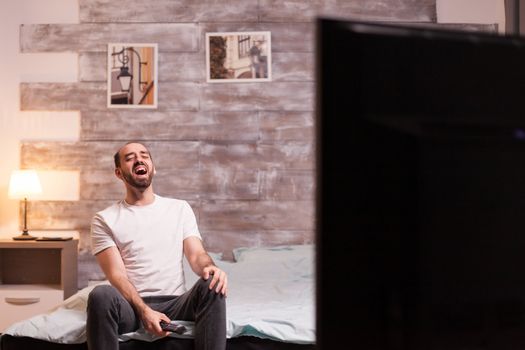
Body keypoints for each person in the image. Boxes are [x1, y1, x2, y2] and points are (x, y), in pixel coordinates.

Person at [86, 142, 227, 350]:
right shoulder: (104, 219)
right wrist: (144, 311)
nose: (139, 159)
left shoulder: (179, 208)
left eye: (144, 155)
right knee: (100, 294)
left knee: (212, 282)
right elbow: (117, 276)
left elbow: (197, 255)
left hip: (176, 303)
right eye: (130, 157)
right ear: (119, 173)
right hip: (131, 306)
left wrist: (210, 267)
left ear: (153, 167)